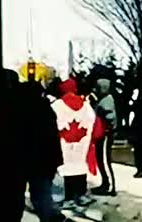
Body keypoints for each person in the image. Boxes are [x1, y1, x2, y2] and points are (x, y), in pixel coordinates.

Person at [12, 77, 64, 222]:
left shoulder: (14, 109)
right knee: (42, 196)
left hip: (19, 159)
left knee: (16, 197)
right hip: (43, 161)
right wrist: (56, 161)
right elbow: (53, 138)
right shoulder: (45, 109)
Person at [51, 78, 97, 208]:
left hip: (64, 141)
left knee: (68, 166)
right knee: (80, 165)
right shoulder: (86, 105)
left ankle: (69, 197)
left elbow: (51, 121)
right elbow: (92, 120)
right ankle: (81, 194)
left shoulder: (57, 105)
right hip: (82, 141)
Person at [91, 78, 118, 196]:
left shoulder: (106, 101)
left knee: (105, 160)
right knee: (101, 159)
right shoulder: (104, 99)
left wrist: (108, 128)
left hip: (106, 134)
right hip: (104, 133)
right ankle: (105, 183)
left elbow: (109, 117)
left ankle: (110, 186)